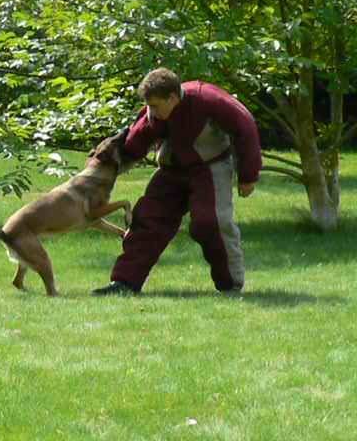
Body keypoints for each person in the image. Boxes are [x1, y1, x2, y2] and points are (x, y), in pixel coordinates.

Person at [92, 67, 262, 296]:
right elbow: (136, 140)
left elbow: (246, 127)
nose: (150, 110)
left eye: (154, 105)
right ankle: (124, 283)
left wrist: (248, 175)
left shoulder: (208, 99)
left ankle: (230, 285)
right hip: (171, 170)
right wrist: (108, 163)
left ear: (172, 97)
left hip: (210, 169)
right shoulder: (154, 111)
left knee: (210, 222)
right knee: (147, 219)